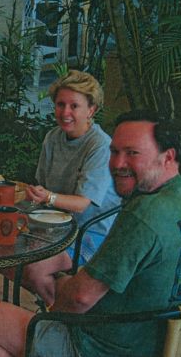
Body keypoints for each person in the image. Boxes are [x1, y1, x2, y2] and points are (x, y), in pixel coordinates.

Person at [0, 109, 181, 357]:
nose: (118, 164)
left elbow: (80, 298)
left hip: (105, 346)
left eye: (133, 153)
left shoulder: (144, 215)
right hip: (156, 339)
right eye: (114, 152)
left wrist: (56, 308)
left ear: (167, 157)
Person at [20, 70, 121, 305]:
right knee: (6, 252)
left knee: (34, 269)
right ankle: (56, 301)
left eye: (74, 106)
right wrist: (35, 195)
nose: (65, 112)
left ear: (91, 110)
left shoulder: (100, 145)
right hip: (57, 225)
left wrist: (48, 198)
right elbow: (43, 186)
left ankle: (60, 317)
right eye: (60, 104)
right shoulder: (53, 138)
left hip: (92, 231)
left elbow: (82, 203)